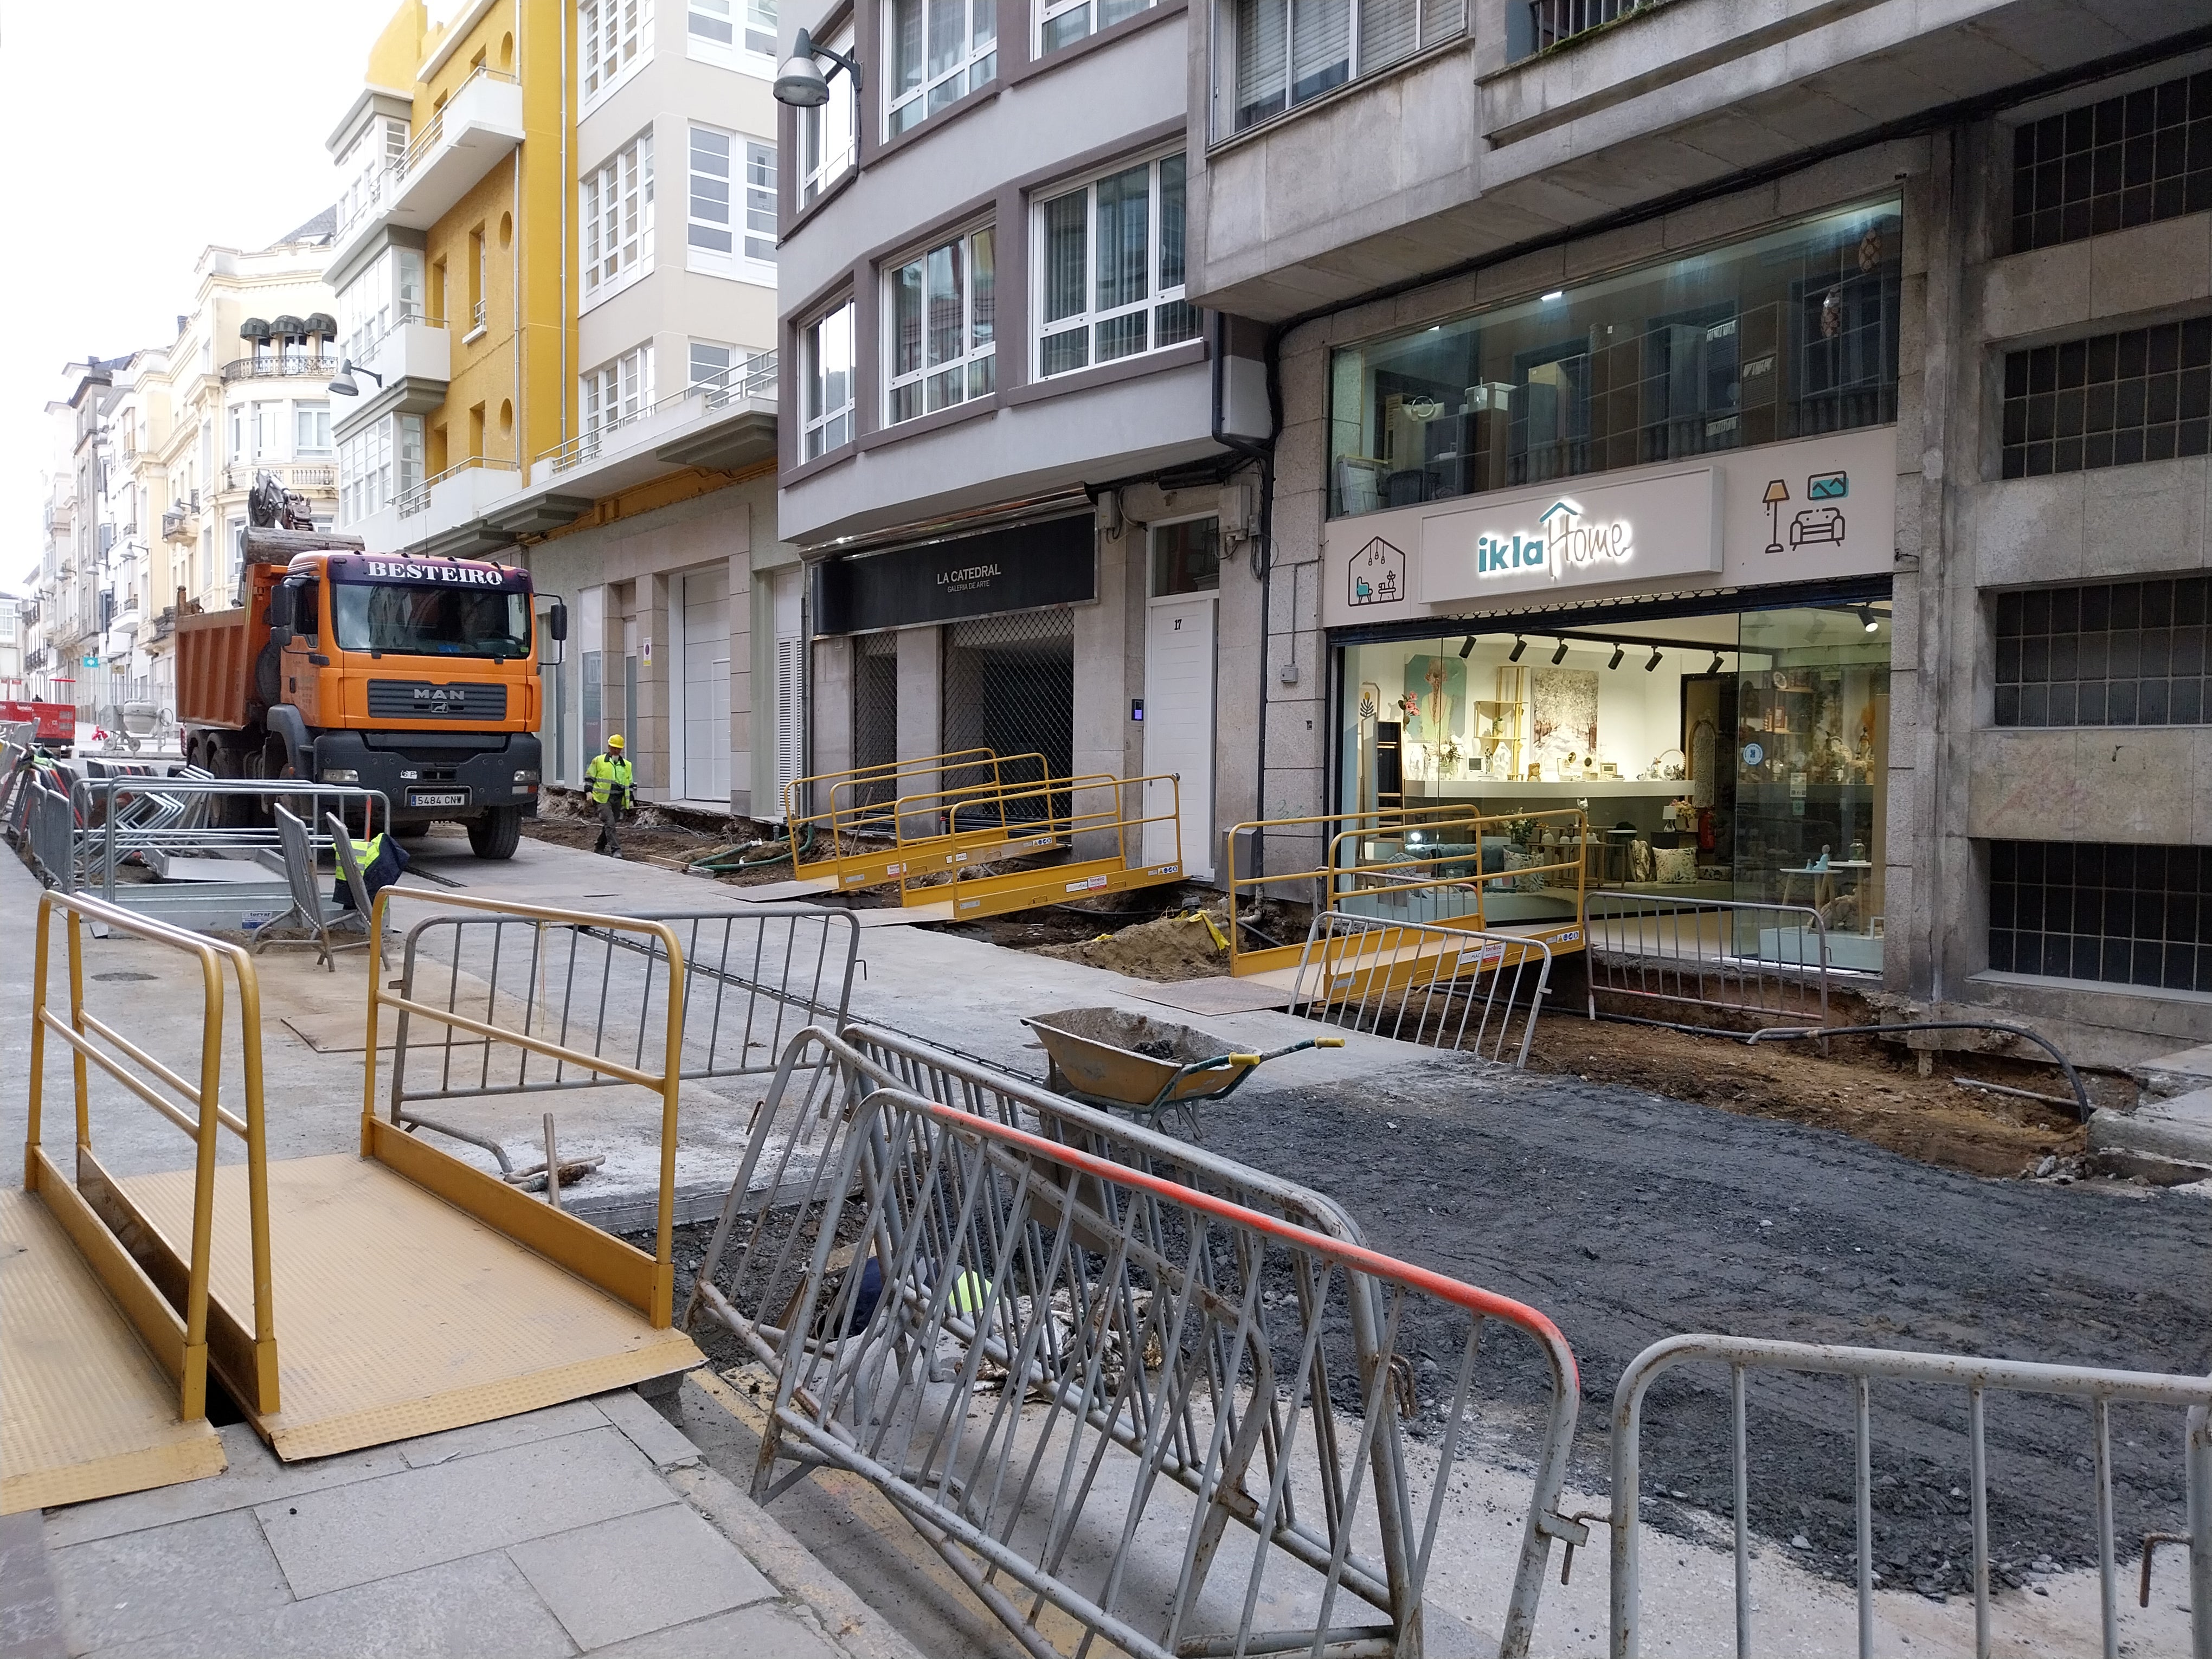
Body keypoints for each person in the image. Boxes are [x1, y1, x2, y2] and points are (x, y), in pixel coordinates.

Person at [586, 734, 633, 856]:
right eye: (614, 748)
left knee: (611, 824)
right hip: (602, 799)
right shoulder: (599, 761)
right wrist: (588, 792)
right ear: (609, 747)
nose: (616, 751)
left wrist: (631, 800)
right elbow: (590, 777)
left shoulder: (627, 765)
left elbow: (629, 784)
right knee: (610, 823)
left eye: (619, 748)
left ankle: (599, 846)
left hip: (618, 799)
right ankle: (616, 850)